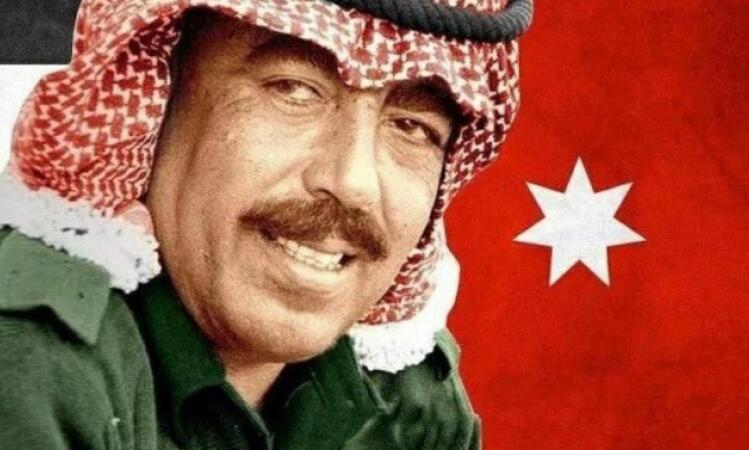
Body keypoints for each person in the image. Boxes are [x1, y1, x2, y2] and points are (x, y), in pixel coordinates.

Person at [0, 0, 532, 448]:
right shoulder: (29, 365)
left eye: (412, 127)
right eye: (293, 89)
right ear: (155, 100)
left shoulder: (409, 398)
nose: (354, 183)